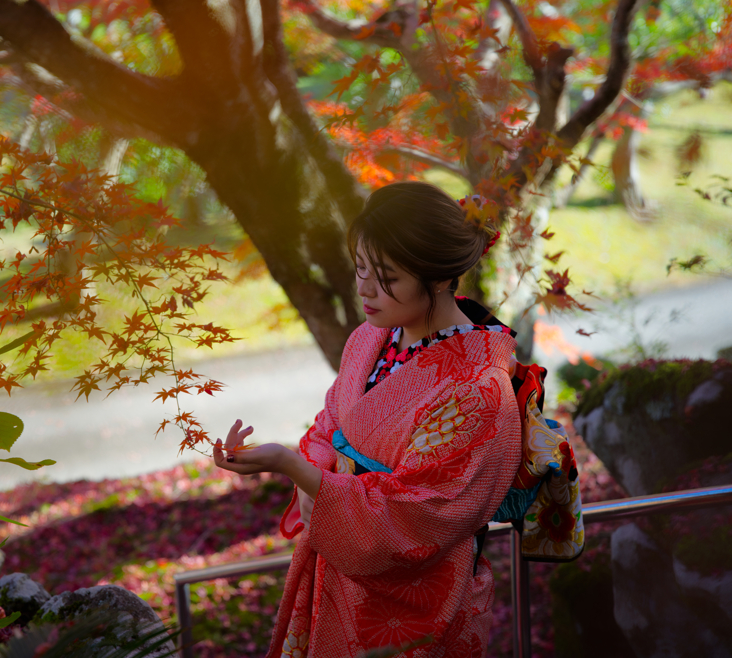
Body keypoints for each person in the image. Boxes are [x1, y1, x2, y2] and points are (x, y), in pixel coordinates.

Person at [213, 181, 524, 658]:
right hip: (337, 563)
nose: (364, 289)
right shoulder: (369, 337)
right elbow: (329, 426)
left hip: (417, 592)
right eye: (360, 268)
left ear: (439, 278)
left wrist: (296, 470)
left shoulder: (479, 386)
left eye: (387, 278)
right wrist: (307, 470)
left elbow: (423, 513)